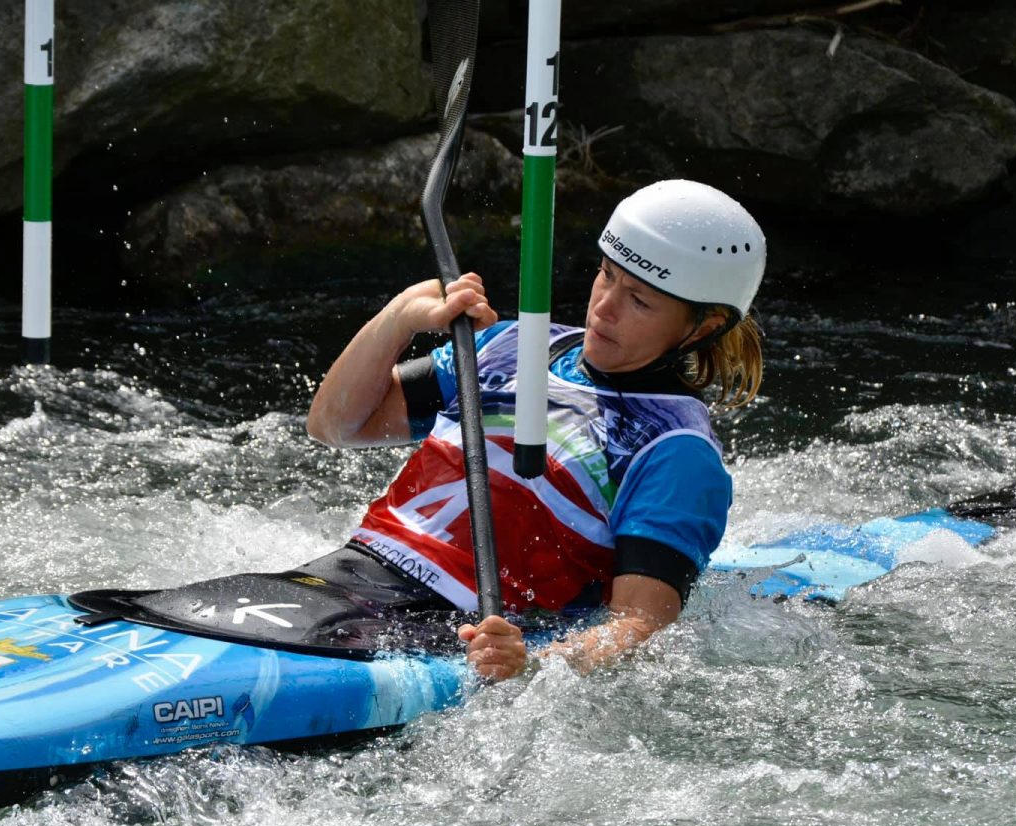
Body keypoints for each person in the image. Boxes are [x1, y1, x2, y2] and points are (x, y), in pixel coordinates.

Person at [305, 179, 767, 681]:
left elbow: (641, 626)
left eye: (639, 301)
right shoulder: (511, 344)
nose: (604, 307)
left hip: (454, 629)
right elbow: (334, 425)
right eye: (607, 275)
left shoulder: (676, 451)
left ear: (703, 326)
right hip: (346, 575)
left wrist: (531, 665)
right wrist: (401, 318)